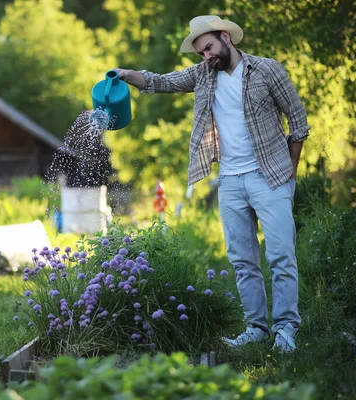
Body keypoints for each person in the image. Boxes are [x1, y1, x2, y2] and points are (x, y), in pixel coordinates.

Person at [115, 15, 310, 353]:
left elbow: (298, 119)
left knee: (281, 256)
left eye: (207, 48)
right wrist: (127, 75)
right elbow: (162, 81)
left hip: (272, 177)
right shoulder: (204, 75)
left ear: (225, 37)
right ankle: (257, 328)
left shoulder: (267, 70)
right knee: (241, 259)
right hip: (230, 181)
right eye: (200, 53)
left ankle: (286, 329)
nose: (206, 57)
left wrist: (291, 171)